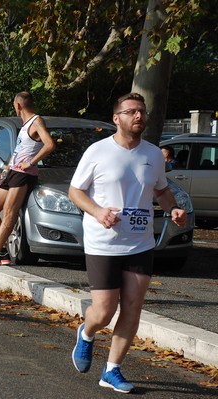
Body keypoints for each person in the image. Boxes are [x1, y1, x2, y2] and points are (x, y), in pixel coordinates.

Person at [68, 93, 187, 393]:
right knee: (104, 311)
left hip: (140, 243)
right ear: (116, 118)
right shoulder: (97, 152)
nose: (138, 116)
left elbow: (160, 190)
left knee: (133, 306)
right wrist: (97, 212)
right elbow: (75, 192)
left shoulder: (153, 154)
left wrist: (171, 207)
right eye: (131, 111)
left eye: (142, 111)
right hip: (102, 243)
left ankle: (112, 370)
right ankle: (87, 332)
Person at [0, 92, 56, 266]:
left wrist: (31, 162)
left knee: (10, 211)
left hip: (24, 175)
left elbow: (50, 144)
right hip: (13, 172)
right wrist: (4, 172)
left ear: (18, 106)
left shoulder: (36, 121)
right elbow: (19, 151)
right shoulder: (25, 125)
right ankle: (1, 252)